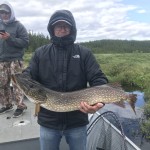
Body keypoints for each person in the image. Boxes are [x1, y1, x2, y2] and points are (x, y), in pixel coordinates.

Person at [23, 10, 108, 150]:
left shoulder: (84, 53)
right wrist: (19, 78)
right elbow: (28, 75)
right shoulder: (40, 53)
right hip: (48, 123)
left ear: (71, 29)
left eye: (66, 26)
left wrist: (98, 103)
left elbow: (98, 79)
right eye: (58, 26)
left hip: (77, 122)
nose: (62, 29)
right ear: (52, 29)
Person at [0, 2, 29, 117]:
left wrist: (10, 38)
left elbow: (25, 42)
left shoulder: (18, 26)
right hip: (2, 60)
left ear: (11, 13)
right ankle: (7, 105)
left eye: (6, 12)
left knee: (17, 84)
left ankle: (21, 106)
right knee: (2, 83)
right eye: (2, 12)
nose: (4, 15)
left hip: (15, 60)